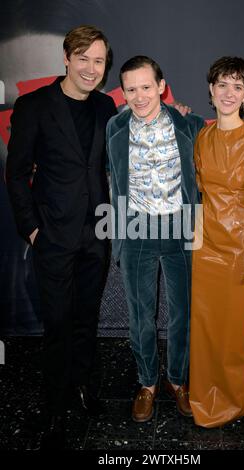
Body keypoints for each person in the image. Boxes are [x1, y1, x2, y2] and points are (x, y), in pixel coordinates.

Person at [5, 25, 117, 448]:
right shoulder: (34, 106)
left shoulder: (108, 108)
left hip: (96, 235)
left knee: (87, 319)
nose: (91, 68)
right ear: (67, 58)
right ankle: (53, 408)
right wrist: (32, 229)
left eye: (99, 61)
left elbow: (137, 143)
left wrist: (175, 113)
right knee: (57, 325)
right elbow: (16, 173)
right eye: (84, 58)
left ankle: (85, 387)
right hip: (52, 235)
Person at [106, 55, 204, 423]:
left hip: (179, 230)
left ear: (161, 86)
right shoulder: (114, 127)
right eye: (131, 89)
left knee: (182, 315)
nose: (140, 96)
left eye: (147, 87)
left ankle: (178, 381)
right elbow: (113, 177)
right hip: (136, 232)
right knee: (140, 317)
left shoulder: (190, 124)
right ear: (124, 92)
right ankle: (147, 383)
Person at [189, 56, 244, 427]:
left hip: (240, 250)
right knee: (204, 328)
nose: (228, 92)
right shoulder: (203, 136)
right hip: (205, 247)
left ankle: (230, 402)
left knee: (234, 332)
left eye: (237, 86)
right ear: (211, 89)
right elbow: (198, 192)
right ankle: (200, 397)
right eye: (222, 84)